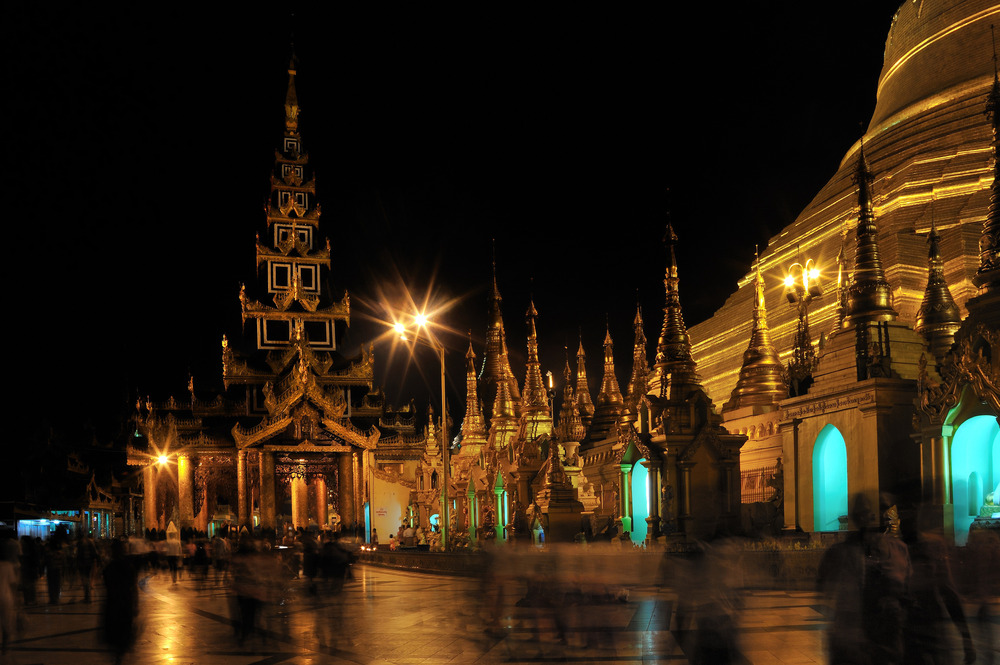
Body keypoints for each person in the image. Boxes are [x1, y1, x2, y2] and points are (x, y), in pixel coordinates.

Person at [102, 538, 139, 665]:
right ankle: (119, 656)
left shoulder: (109, 568)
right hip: (125, 603)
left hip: (113, 604)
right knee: (123, 634)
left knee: (114, 635)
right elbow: (134, 587)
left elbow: (106, 586)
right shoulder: (128, 566)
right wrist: (135, 604)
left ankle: (117, 657)